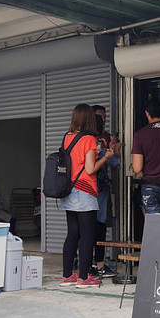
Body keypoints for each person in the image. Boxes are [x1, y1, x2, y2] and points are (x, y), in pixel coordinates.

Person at [59, 104, 115, 288]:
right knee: (87, 235)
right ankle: (84, 277)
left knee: (72, 234)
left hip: (69, 191)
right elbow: (90, 169)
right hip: (84, 191)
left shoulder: (67, 137)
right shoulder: (89, 139)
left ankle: (67, 275)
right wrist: (105, 157)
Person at [91, 114, 121, 278]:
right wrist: (115, 151)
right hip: (98, 192)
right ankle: (98, 265)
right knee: (99, 228)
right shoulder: (95, 145)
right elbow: (115, 162)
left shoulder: (80, 142)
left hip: (83, 194)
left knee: (83, 230)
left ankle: (87, 264)